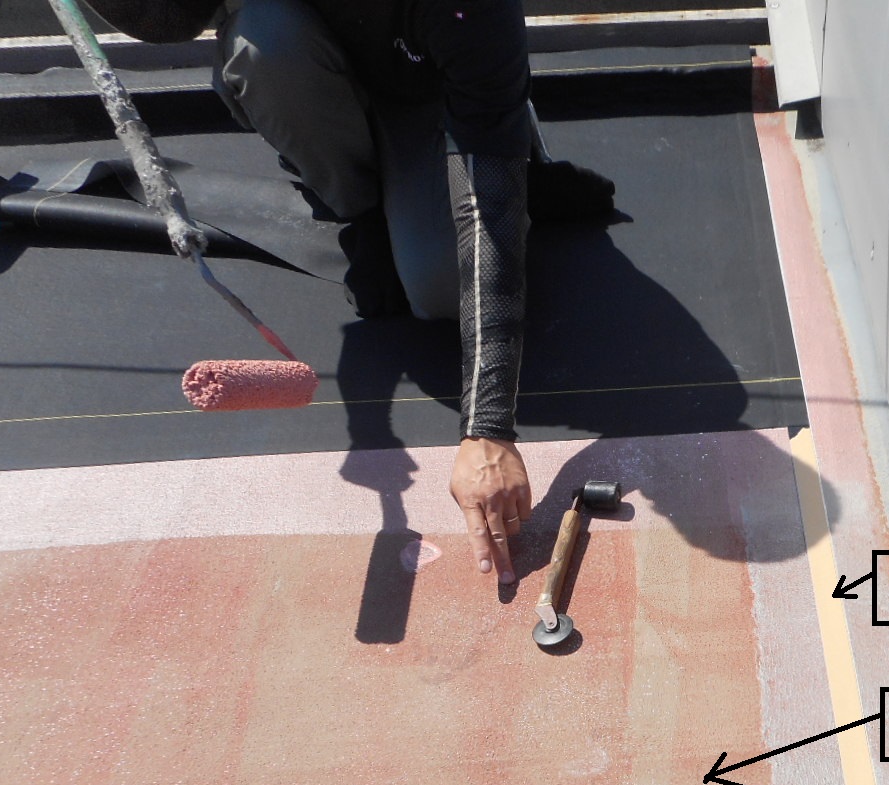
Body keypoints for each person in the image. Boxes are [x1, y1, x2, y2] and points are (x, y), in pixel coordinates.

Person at [85, 0, 614, 588]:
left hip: (436, 101)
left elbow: (485, 216)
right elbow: (169, 20)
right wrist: (370, 429)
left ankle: (510, 157)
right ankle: (360, 201)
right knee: (262, 41)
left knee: (442, 289)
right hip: (324, 79)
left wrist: (487, 429)